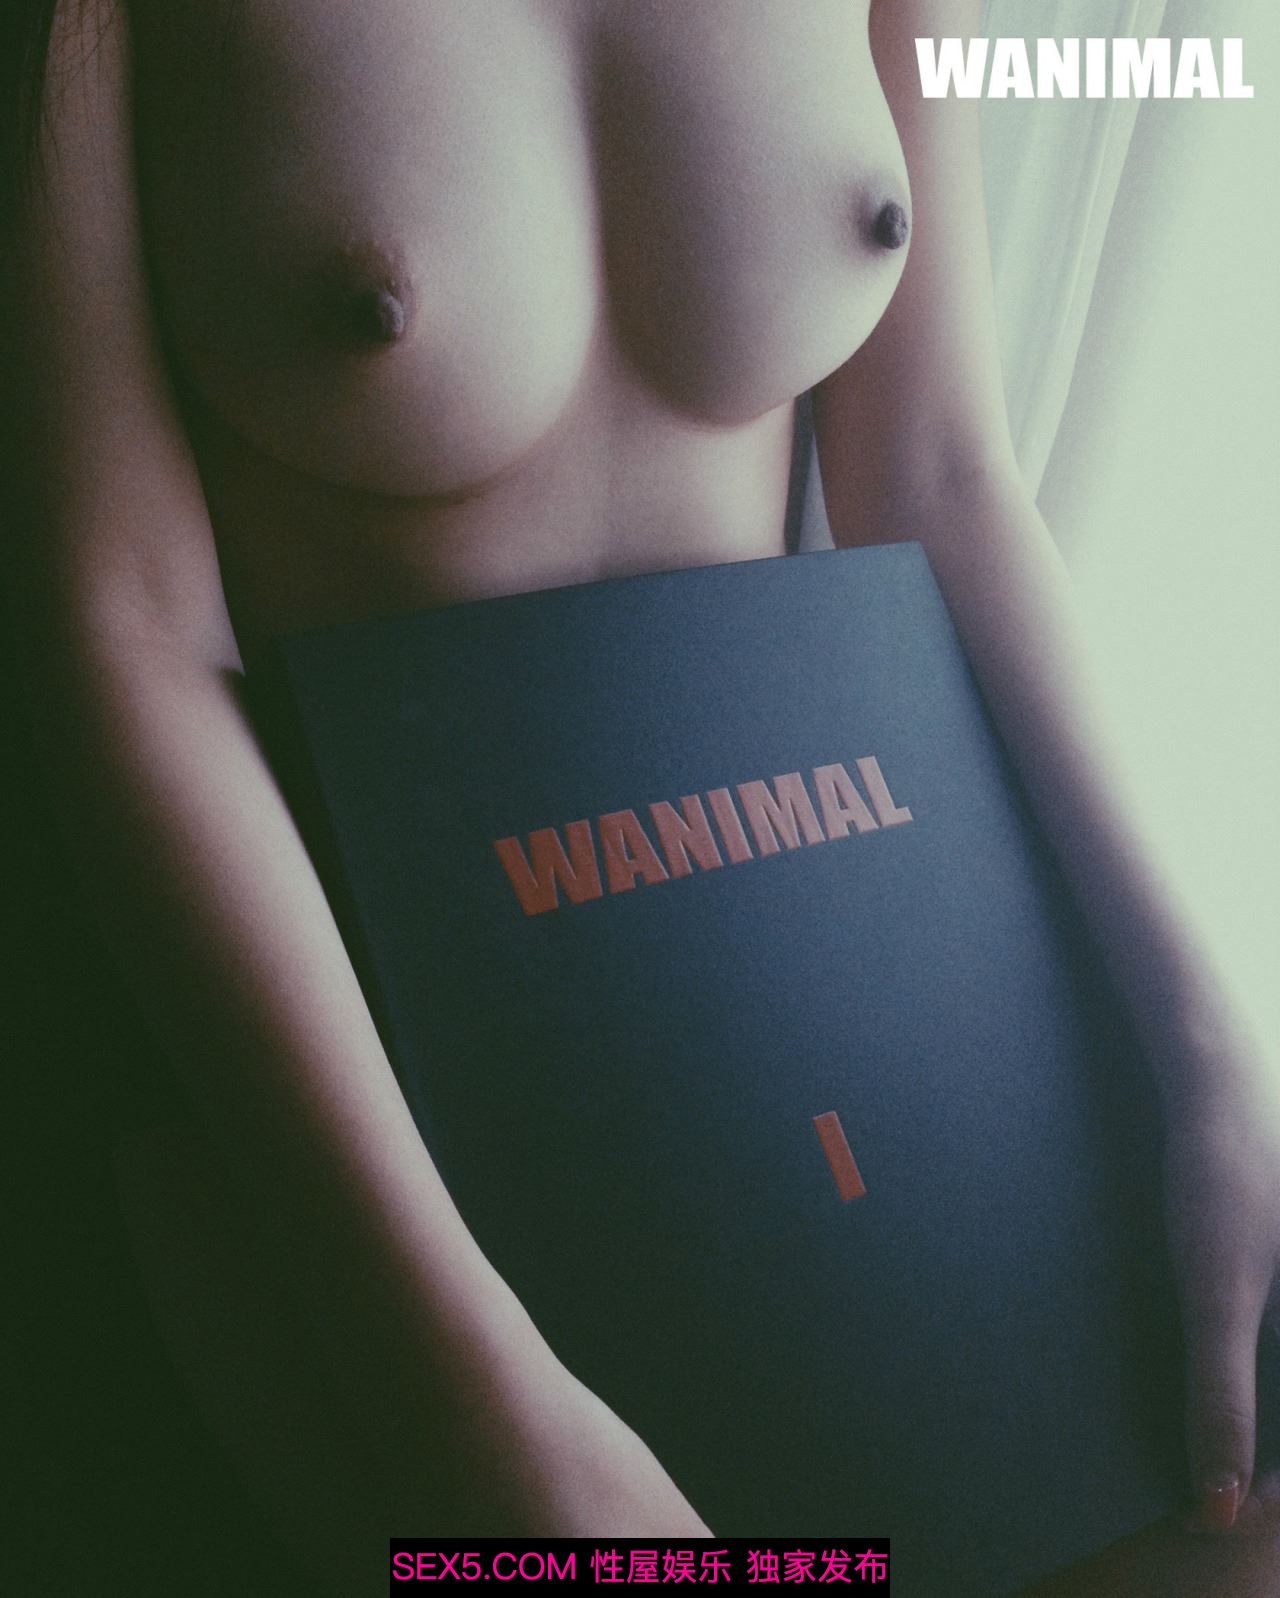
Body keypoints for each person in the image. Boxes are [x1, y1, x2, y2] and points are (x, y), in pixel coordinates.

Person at [3, 1, 1279, 1591]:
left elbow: (947, 473)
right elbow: (122, 630)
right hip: (385, 1124)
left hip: (853, 1004)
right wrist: (463, 1391)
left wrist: (1207, 1052)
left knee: (1240, 1516)